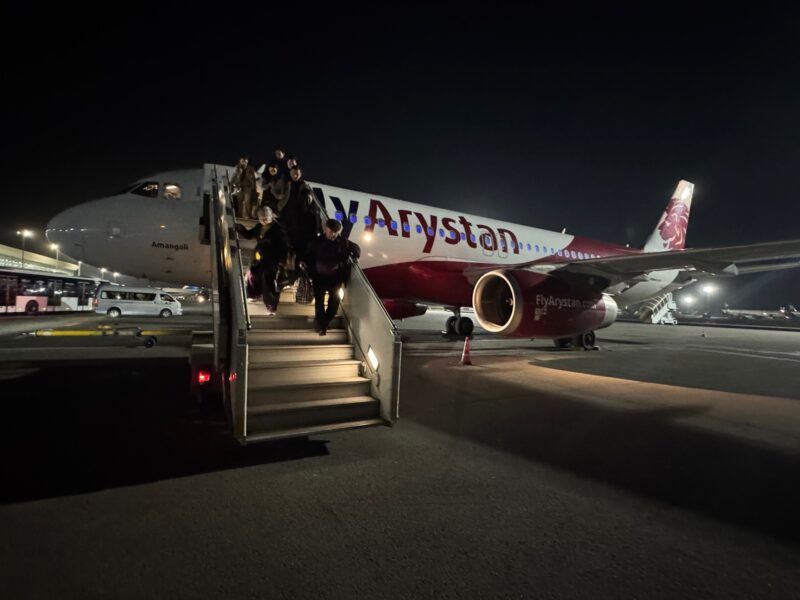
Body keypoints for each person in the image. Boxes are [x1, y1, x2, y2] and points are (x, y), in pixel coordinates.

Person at [303, 219, 361, 335]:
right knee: (319, 302)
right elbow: (308, 255)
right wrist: (306, 266)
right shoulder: (317, 242)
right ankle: (322, 325)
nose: (333, 235)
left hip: (335, 278)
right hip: (319, 276)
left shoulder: (343, 242)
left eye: (336, 233)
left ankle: (325, 321)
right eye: (331, 232)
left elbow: (356, 248)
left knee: (334, 303)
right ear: (326, 230)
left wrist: (356, 257)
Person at [236, 206, 288, 315]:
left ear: (271, 217)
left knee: (268, 282)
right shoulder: (259, 226)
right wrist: (241, 229)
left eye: (265, 218)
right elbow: (250, 235)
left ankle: (271, 306)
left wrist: (282, 262)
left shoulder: (278, 229)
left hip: (272, 259)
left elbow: (283, 246)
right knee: (252, 274)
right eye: (261, 218)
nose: (263, 221)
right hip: (260, 257)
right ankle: (253, 294)